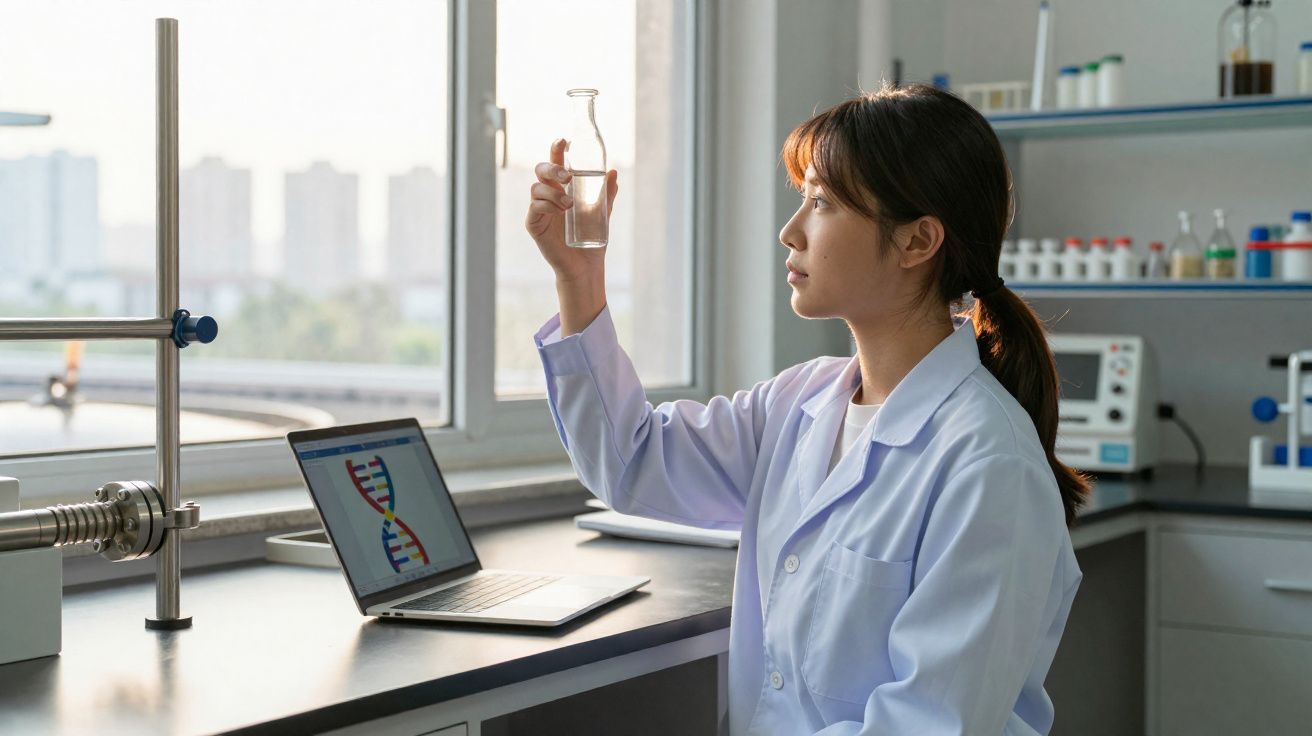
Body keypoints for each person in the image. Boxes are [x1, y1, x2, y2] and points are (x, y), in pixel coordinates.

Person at [524, 83, 1088, 735]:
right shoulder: (798, 405)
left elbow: (929, 725)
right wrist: (578, 276)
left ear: (917, 242)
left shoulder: (990, 464)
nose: (790, 231)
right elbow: (630, 463)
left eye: (821, 202)